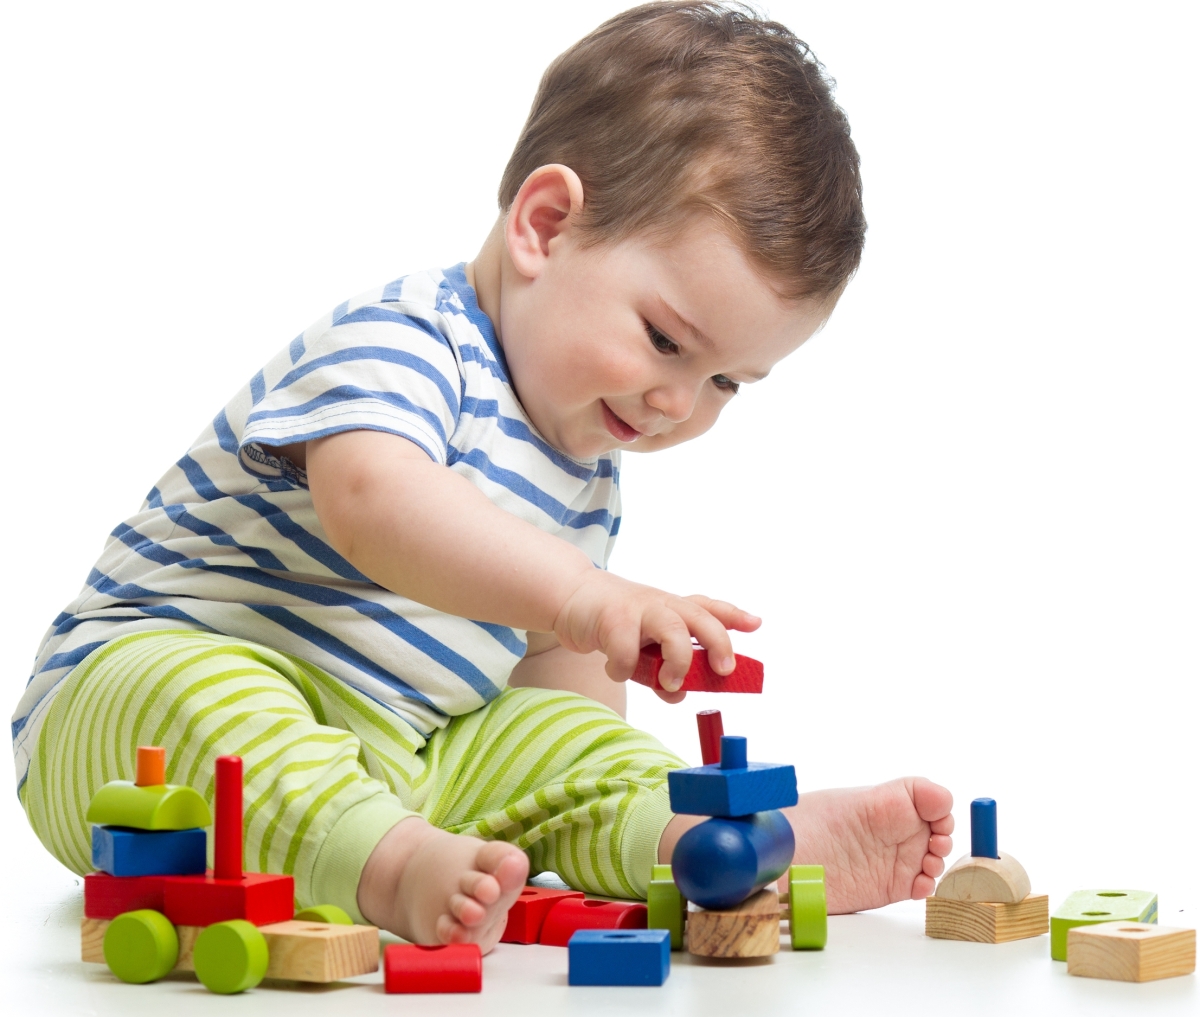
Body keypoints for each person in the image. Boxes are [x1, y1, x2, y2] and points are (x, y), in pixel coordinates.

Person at [13, 1, 953, 954]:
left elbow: (549, 677)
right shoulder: (406, 341)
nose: (678, 401)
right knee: (188, 689)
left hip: (399, 764)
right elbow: (372, 504)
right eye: (665, 339)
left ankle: (716, 847)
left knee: (558, 746)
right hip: (128, 731)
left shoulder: (587, 468)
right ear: (545, 226)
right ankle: (384, 864)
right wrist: (589, 596)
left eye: (723, 382)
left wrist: (597, 748)